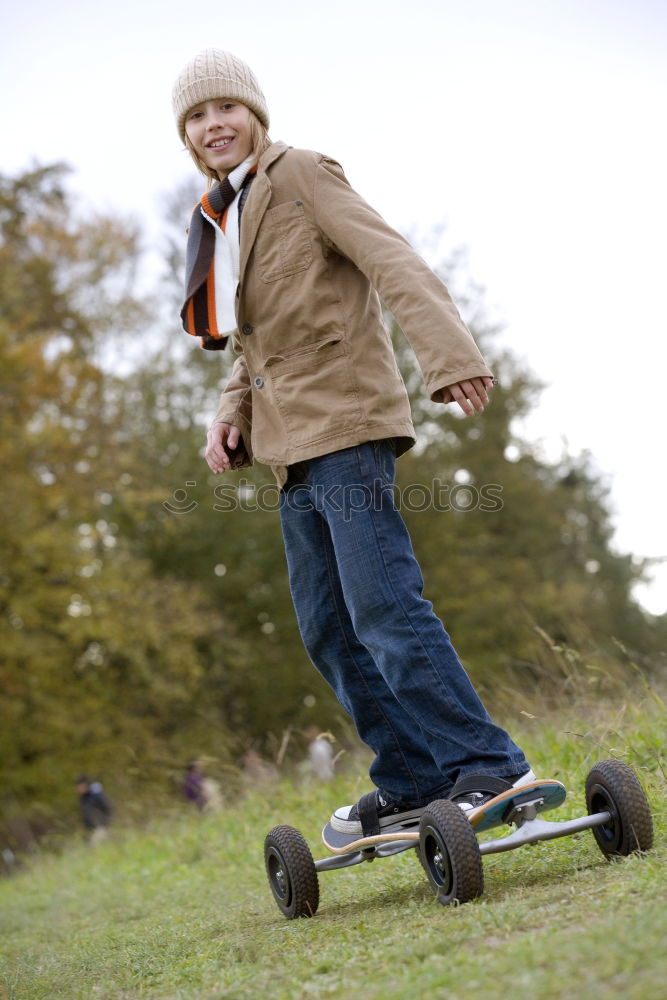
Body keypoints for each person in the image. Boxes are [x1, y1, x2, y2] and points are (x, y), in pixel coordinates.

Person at [171, 49, 536, 839]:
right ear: (187, 137)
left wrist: (450, 356)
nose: (213, 125)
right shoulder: (222, 220)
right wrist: (229, 412)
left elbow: (389, 258)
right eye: (197, 117)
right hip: (288, 442)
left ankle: (488, 766)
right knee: (327, 628)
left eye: (225, 109)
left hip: (346, 419)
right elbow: (254, 342)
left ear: (254, 116)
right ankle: (408, 779)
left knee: (382, 607)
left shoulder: (300, 176)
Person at [75, 775, 112, 843]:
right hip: (91, 829)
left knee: (94, 847)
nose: (78, 789)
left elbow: (108, 809)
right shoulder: (84, 798)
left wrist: (104, 824)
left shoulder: (96, 796)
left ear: (85, 785)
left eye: (79, 786)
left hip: (100, 827)